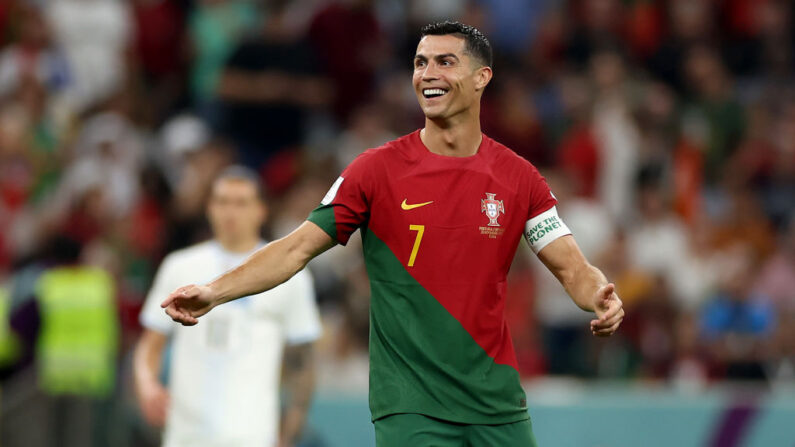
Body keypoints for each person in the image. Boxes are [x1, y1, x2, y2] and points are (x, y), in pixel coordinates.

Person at [162, 22, 625, 446]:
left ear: (482, 77)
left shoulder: (519, 177)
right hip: (411, 407)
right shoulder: (374, 171)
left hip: (497, 404)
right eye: (420, 62)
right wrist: (214, 291)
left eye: (445, 61)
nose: (428, 73)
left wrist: (599, 297)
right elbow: (297, 247)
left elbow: (570, 264)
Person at [135, 166, 321, 447]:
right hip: (186, 435)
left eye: (241, 203)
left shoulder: (289, 275)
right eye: (222, 202)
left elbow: (303, 363)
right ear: (209, 208)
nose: (230, 212)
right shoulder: (180, 266)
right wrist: (147, 386)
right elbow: (151, 342)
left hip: (253, 435)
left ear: (261, 210)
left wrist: (290, 432)